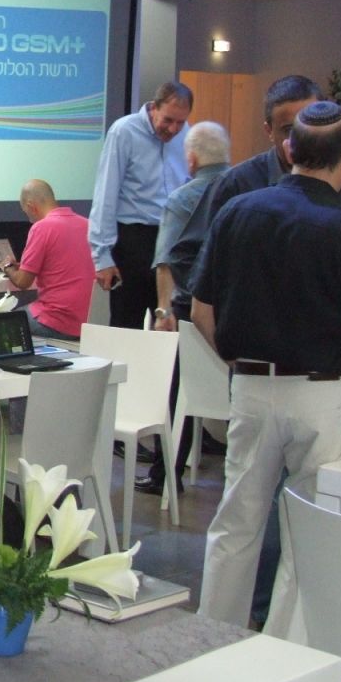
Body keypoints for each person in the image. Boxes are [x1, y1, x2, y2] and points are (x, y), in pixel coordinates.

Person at [192, 101, 341, 638]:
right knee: (308, 531)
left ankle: (213, 640)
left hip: (252, 386)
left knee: (236, 523)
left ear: (289, 147)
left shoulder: (237, 211)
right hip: (325, 393)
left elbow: (201, 310)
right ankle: (282, 654)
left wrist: (239, 360)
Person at [136, 122, 231, 496]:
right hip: (237, 317)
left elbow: (167, 260)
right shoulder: (247, 189)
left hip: (192, 312)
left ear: (190, 159)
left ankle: (166, 474)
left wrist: (163, 312)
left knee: (175, 389)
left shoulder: (182, 198)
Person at [88, 82, 193, 329]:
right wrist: (102, 257)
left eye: (180, 122)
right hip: (132, 240)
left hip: (171, 238)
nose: (173, 129)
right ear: (154, 108)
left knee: (168, 324)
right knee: (127, 326)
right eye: (168, 120)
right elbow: (106, 193)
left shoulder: (187, 133)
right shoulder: (124, 131)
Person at [206, 74, 341, 220]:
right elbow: (197, 248)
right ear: (269, 131)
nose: (302, 138)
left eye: (312, 127)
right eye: (290, 130)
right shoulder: (235, 184)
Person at [1, 179, 94, 341]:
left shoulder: (41, 227)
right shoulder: (88, 225)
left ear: (31, 206)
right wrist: (25, 266)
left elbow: (23, 282)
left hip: (58, 322)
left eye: (25, 212)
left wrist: (8, 267)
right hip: (90, 322)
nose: (28, 217)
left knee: (1, 322)